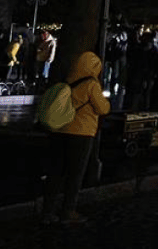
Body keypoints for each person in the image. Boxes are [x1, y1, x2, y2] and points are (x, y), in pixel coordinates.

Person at [40, 51, 110, 225]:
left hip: (60, 130)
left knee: (55, 173)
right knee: (75, 175)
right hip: (82, 134)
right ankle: (68, 211)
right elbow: (102, 109)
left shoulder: (67, 80)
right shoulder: (91, 84)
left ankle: (47, 212)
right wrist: (107, 102)